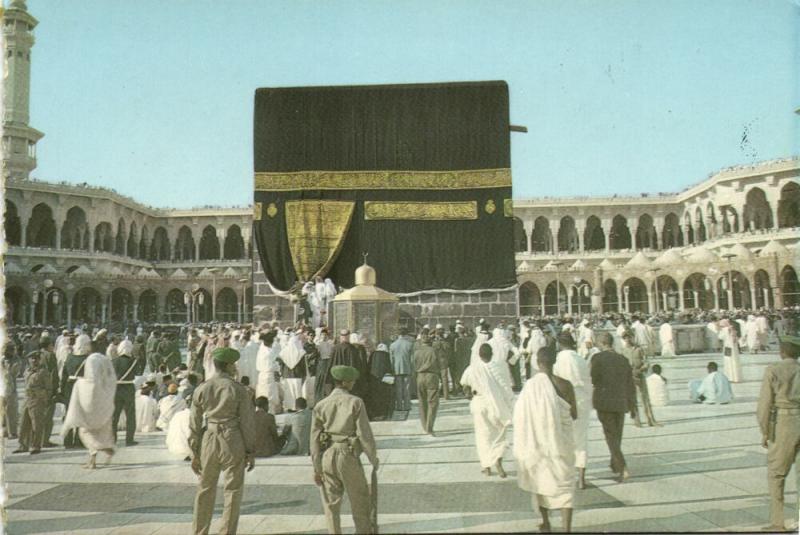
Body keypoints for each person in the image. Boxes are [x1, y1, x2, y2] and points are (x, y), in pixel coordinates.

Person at [189, 347, 257, 535]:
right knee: (233, 490)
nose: (235, 367)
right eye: (233, 364)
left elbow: (194, 424)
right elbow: (248, 422)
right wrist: (250, 451)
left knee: (205, 489)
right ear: (227, 365)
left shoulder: (202, 388)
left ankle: (200, 531)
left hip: (209, 437)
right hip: (232, 437)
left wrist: (194, 453)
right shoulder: (238, 389)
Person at [514, 346, 577, 533]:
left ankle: (546, 523)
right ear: (554, 362)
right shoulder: (565, 385)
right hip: (561, 444)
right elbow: (573, 414)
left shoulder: (530, 386)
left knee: (541, 482)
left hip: (537, 445)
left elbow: (520, 417)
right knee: (565, 489)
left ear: (537, 362)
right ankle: (566, 529)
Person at [310, 365, 379, 534]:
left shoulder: (320, 405)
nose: (354, 382)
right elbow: (364, 434)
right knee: (360, 501)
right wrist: (373, 458)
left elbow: (314, 439)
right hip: (347, 454)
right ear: (346, 382)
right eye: (352, 380)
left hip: (327, 455)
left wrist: (316, 467)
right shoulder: (355, 402)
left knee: (331, 505)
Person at [757, 335, 800, 531]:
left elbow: (764, 405)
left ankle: (778, 522)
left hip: (783, 423)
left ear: (782, 352)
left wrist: (765, 431)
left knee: (777, 473)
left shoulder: (773, 370)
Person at [460, 343, 513, 477]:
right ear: (492, 354)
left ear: (479, 355)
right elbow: (506, 388)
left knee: (483, 436)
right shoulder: (498, 367)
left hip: (479, 404)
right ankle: (498, 461)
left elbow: (464, 385)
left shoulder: (472, 369)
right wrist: (510, 405)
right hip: (496, 405)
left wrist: (471, 394)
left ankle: (486, 466)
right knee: (500, 435)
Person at [61, 347, 117, 469]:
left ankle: (94, 458)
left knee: (86, 432)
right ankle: (100, 453)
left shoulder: (83, 384)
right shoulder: (106, 384)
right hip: (103, 416)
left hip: (88, 416)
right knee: (99, 433)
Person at [591, 332, 635, 483]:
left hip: (604, 401)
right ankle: (614, 464)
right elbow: (630, 384)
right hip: (621, 401)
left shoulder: (597, 358)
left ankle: (622, 466)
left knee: (610, 435)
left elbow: (594, 378)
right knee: (617, 434)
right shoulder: (623, 359)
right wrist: (633, 405)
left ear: (602, 343)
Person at [554, 332, 592, 489]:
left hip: (565, 402)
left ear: (560, 344)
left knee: (563, 439)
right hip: (582, 401)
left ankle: (564, 475)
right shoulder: (581, 359)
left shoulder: (559, 361)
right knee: (581, 439)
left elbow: (557, 383)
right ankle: (581, 478)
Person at [14, 352, 52, 455]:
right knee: (23, 424)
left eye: (36, 358)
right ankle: (23, 445)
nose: (34, 361)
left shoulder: (43, 372)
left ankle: (36, 446)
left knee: (36, 424)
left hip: (37, 400)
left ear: (39, 360)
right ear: (28, 360)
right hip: (27, 400)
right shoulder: (27, 371)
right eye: (31, 359)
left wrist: (43, 399)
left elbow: (49, 388)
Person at [60, 334, 93, 449]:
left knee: (69, 414)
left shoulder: (69, 357)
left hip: (69, 387)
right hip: (83, 387)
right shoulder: (88, 359)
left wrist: (62, 390)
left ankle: (67, 441)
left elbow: (64, 375)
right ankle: (79, 440)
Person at [621, 330, 659, 427]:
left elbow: (646, 362)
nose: (628, 340)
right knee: (633, 399)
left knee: (645, 398)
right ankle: (636, 421)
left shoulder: (639, 349)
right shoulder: (623, 351)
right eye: (625, 338)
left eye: (629, 337)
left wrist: (642, 369)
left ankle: (650, 419)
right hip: (629, 377)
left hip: (640, 374)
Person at [112, 339, 139, 446]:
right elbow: (137, 372)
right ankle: (129, 439)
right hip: (128, 387)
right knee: (130, 415)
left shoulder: (113, 361)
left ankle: (112, 439)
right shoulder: (133, 361)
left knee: (115, 415)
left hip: (116, 388)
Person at [414, 334, 441, 436]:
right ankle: (430, 428)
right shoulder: (433, 351)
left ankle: (424, 426)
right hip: (431, 376)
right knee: (432, 403)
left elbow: (414, 364)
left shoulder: (416, 352)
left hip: (420, 376)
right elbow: (438, 363)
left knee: (422, 402)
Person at [256, 331, 283, 414]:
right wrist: (278, 367)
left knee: (262, 394)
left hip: (261, 375)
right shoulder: (269, 352)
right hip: (269, 375)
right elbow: (274, 365)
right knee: (270, 397)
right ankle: (269, 415)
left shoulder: (261, 349)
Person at [365, 343, 394, 420]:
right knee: (383, 398)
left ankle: (375, 415)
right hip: (384, 381)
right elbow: (389, 368)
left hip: (373, 379)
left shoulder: (373, 354)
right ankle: (383, 414)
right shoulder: (386, 355)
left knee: (375, 397)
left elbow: (368, 366)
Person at [390, 328, 414, 411]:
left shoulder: (393, 345)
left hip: (396, 369)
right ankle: (407, 406)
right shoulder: (409, 344)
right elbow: (412, 359)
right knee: (407, 388)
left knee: (398, 388)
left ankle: (399, 406)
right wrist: (412, 369)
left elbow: (391, 360)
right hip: (407, 368)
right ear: (406, 334)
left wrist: (392, 369)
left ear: (398, 334)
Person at [2, 345, 21, 440]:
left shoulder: (15, 360)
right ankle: (11, 432)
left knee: (8, 411)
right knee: (10, 412)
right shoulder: (5, 360)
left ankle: (7, 431)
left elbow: (16, 372)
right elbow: (12, 373)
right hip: (7, 389)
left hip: (9, 388)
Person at [719, 319, 743, 383]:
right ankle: (736, 377)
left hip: (727, 347)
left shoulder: (724, 330)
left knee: (728, 362)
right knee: (734, 361)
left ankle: (730, 377)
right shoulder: (733, 329)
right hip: (734, 348)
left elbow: (720, 337)